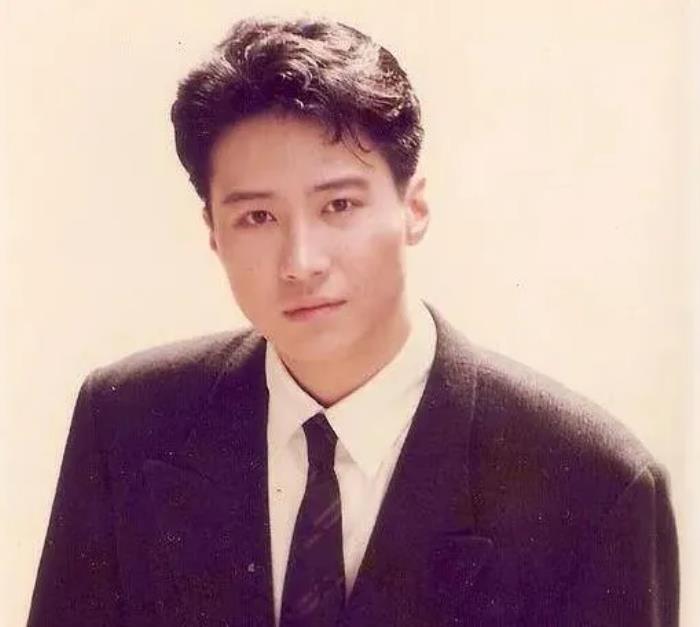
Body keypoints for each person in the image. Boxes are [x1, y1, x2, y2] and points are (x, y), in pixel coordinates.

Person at [28, 16, 679, 627]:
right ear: (213, 233)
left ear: (413, 207)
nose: (300, 262)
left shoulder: (594, 484)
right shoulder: (126, 424)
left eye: (338, 205)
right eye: (257, 217)